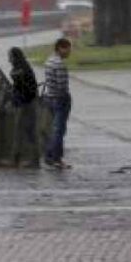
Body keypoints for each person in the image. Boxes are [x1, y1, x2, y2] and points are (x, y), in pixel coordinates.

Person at [43, 38, 73, 169]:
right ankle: (56, 158)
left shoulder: (49, 61)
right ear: (60, 48)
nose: (69, 52)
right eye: (68, 49)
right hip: (60, 99)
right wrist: (66, 97)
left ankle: (50, 156)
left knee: (55, 129)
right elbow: (62, 86)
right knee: (59, 130)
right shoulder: (59, 64)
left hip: (50, 97)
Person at [8, 47, 39, 166]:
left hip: (26, 104)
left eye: (10, 57)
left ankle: (30, 159)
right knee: (22, 131)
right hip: (24, 103)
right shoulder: (22, 67)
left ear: (15, 57)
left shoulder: (21, 69)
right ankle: (18, 157)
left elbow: (17, 79)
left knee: (26, 131)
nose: (9, 60)